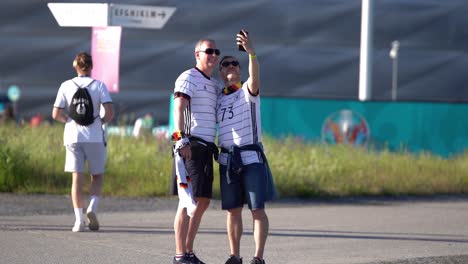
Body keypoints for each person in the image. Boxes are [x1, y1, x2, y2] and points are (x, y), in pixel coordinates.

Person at [216, 30, 277, 264]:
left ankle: (258, 258)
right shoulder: (218, 96)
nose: (230, 66)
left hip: (251, 159)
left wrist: (251, 52)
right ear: (221, 72)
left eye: (234, 63)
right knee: (232, 210)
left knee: (256, 209)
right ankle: (234, 255)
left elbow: (256, 75)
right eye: (225, 64)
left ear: (239, 70)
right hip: (228, 160)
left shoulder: (248, 91)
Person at [170, 39, 221, 264]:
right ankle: (181, 255)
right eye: (208, 51)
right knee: (187, 200)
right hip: (190, 146)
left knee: (203, 200)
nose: (213, 55)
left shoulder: (215, 85)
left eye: (216, 52)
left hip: (206, 148)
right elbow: (178, 108)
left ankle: (188, 252)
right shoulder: (188, 76)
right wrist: (180, 140)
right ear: (197, 54)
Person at [52, 52, 114, 232]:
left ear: (75, 66)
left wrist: (70, 121)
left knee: (76, 178)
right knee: (97, 175)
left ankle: (78, 221)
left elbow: (56, 114)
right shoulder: (99, 86)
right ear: (91, 66)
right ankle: (92, 208)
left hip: (72, 136)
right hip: (94, 136)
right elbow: (109, 113)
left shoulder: (65, 85)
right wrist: (99, 122)